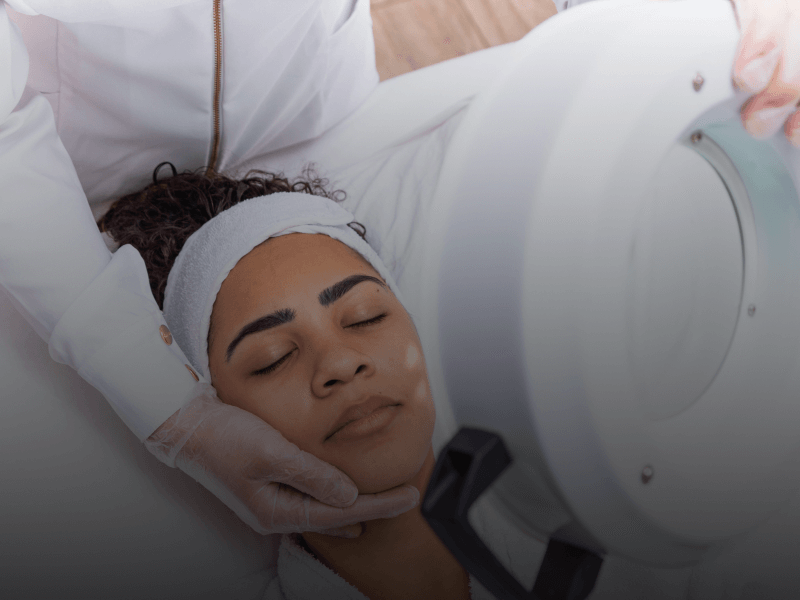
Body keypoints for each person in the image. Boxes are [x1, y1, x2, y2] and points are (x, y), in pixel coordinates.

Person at [2, 0, 800, 545]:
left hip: (315, 110)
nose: (343, 365)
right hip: (81, 183)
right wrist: (172, 413)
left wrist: (714, 22)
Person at [96, 165, 699, 600]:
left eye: (364, 317)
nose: (340, 363)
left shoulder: (624, 504)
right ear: (218, 417)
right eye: (273, 358)